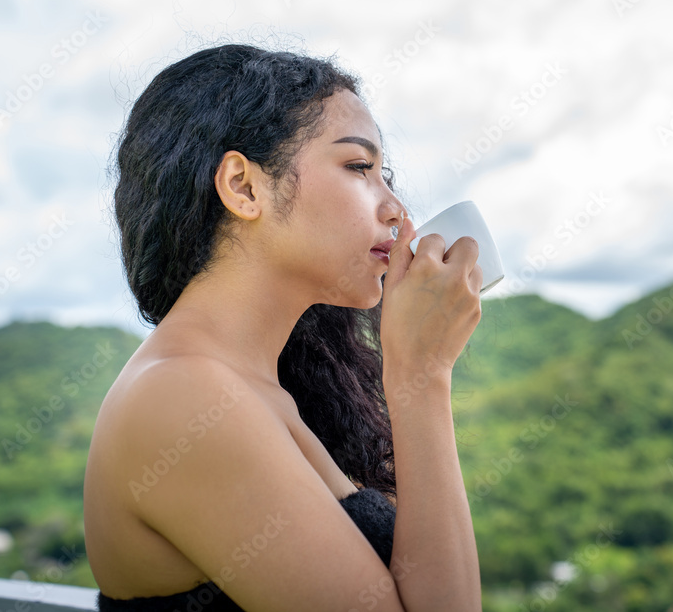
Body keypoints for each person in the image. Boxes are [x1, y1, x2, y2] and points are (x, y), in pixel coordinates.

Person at [83, 44, 484, 612]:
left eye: (384, 174)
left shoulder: (259, 387)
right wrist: (422, 372)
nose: (396, 207)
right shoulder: (181, 397)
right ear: (245, 188)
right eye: (359, 167)